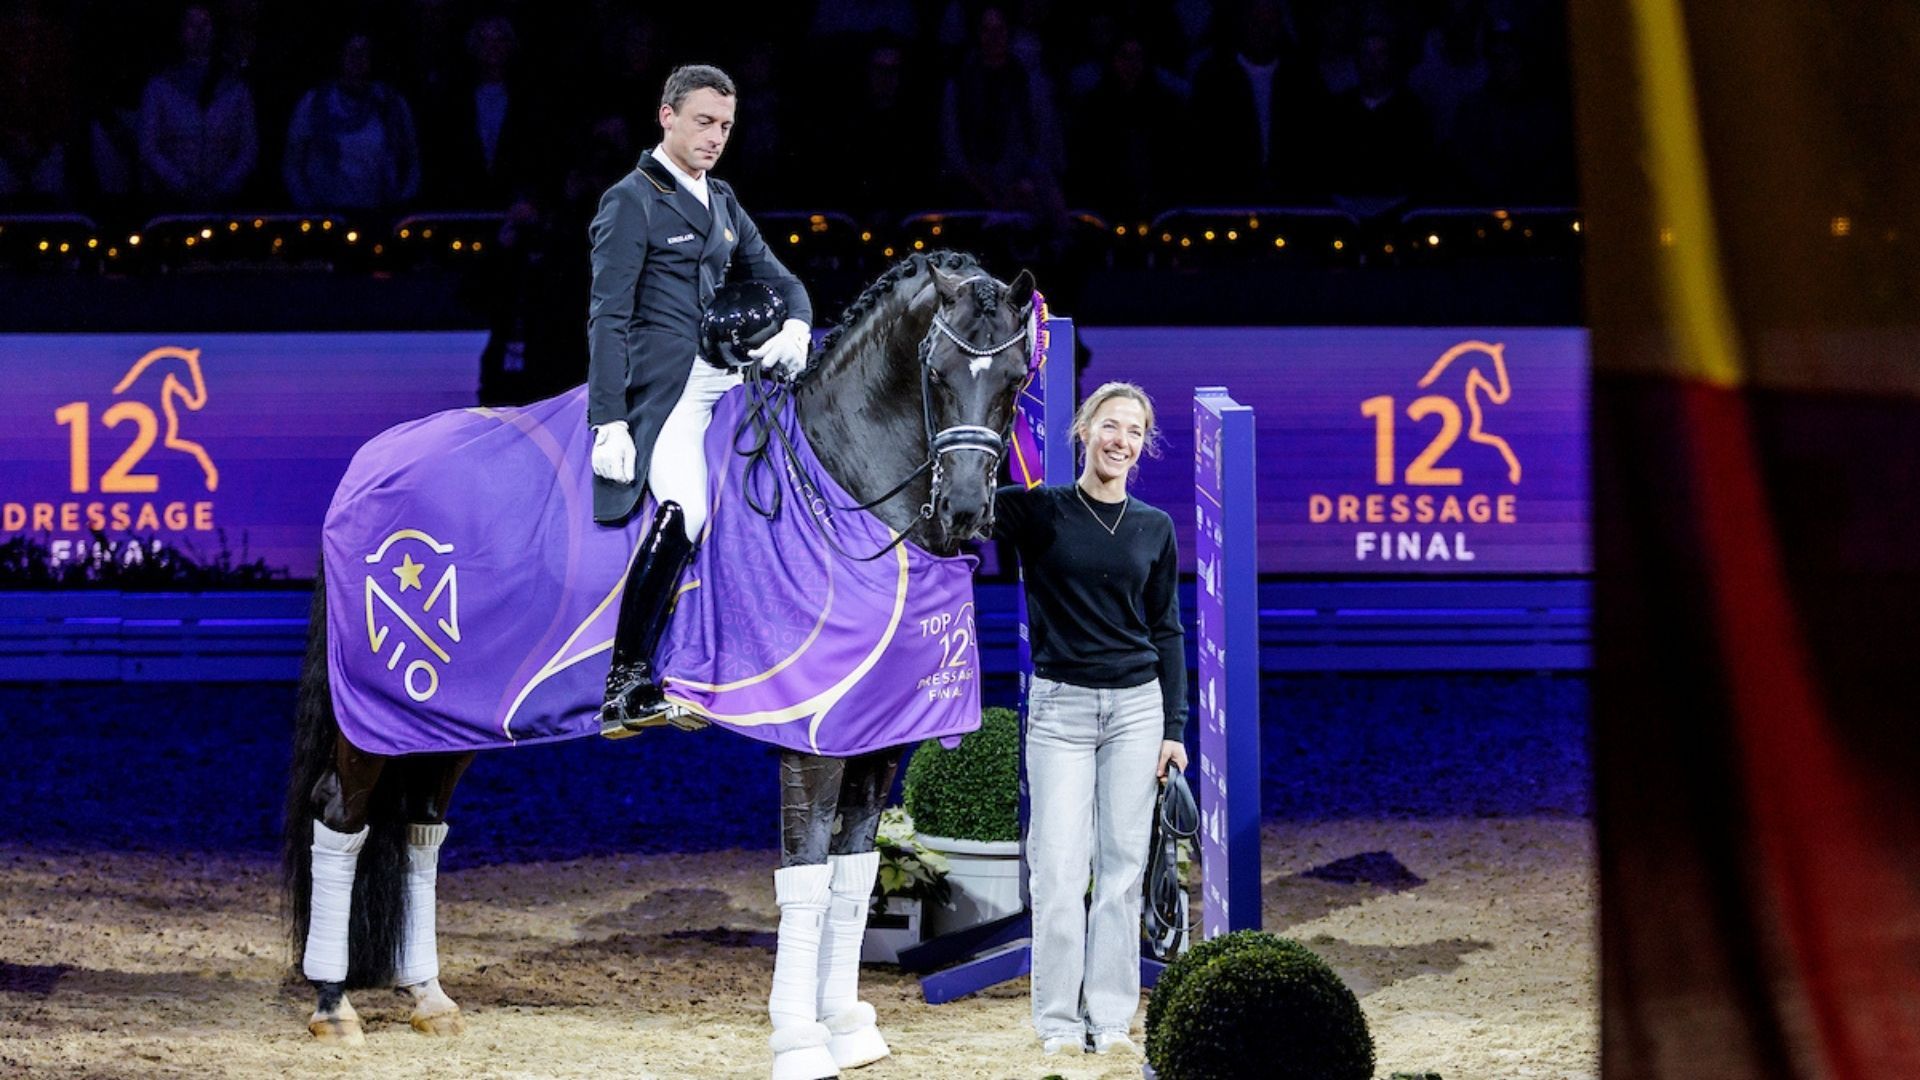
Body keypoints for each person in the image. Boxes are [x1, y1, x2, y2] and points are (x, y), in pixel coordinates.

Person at [585, 63, 812, 730]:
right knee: (687, 508)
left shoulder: (724, 200)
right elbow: (607, 317)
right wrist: (611, 422)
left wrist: (797, 328)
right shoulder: (631, 200)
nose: (716, 137)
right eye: (704, 122)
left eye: (726, 127)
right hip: (674, 391)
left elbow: (785, 280)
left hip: (733, 381)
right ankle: (625, 681)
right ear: (668, 117)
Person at [990, 382, 1189, 1057]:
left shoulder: (1153, 527)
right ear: (1084, 430)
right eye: (1110, 426)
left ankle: (1109, 1021)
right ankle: (1057, 1023)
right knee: (1058, 871)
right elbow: (967, 504)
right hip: (1060, 713)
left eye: (1134, 432)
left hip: (1137, 710)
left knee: (1123, 870)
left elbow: (1167, 632)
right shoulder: (1038, 512)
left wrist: (1175, 729)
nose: (1121, 442)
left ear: (1143, 445)